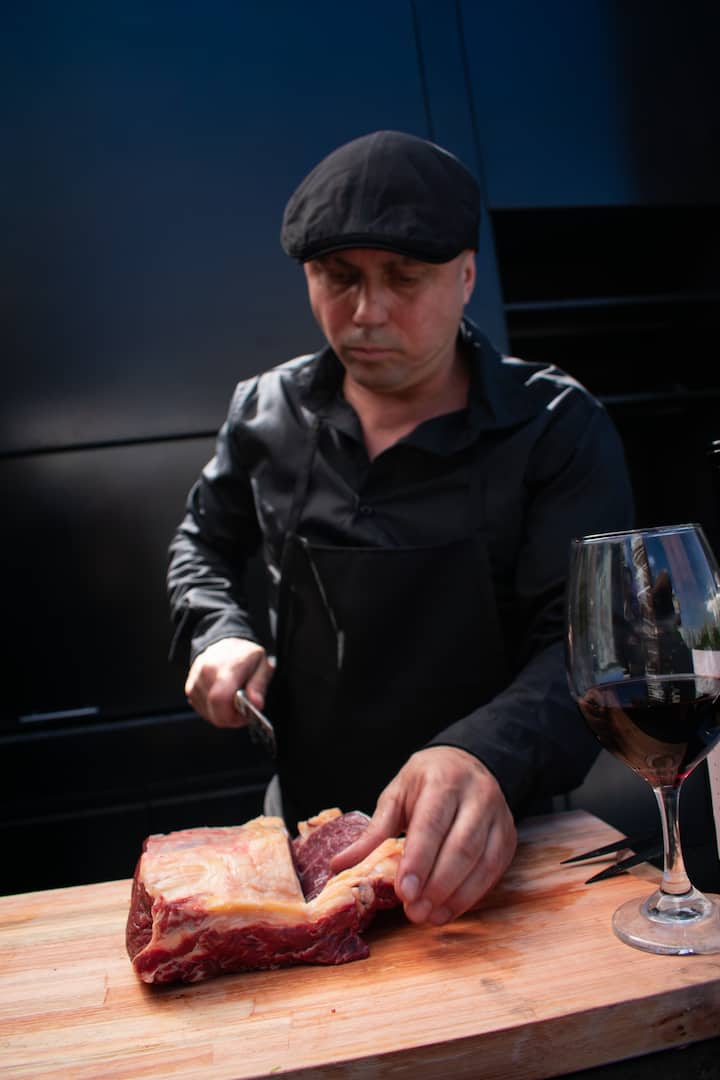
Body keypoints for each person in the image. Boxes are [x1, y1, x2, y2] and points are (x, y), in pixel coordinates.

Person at [167, 129, 635, 928]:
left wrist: (481, 752)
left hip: (497, 840)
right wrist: (218, 633)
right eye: (338, 277)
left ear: (465, 275)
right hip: (308, 837)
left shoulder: (556, 428)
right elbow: (201, 545)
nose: (367, 312)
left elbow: (587, 647)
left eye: (404, 278)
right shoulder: (266, 412)